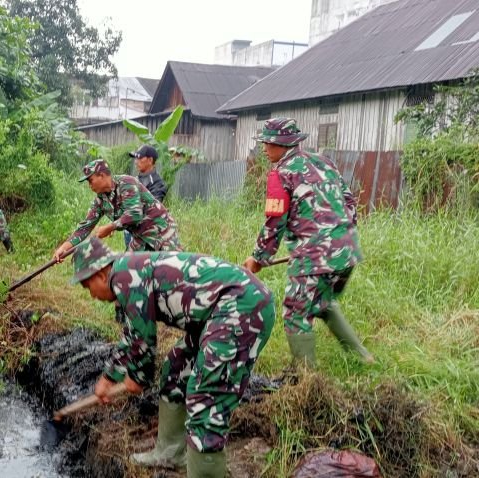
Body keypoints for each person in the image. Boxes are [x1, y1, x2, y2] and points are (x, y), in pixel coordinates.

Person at [71, 238, 275, 478]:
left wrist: (138, 377)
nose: (92, 296)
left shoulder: (124, 278)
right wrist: (109, 376)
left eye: (87, 287)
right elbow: (133, 332)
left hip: (241, 308)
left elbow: (144, 340)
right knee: (175, 369)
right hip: (216, 312)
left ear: (101, 274)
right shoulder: (126, 272)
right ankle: (170, 453)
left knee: (206, 400)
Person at [242, 117, 374, 367]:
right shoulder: (324, 162)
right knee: (322, 302)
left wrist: (258, 258)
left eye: (268, 143)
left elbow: (275, 221)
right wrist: (337, 239)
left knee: (295, 314)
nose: (264, 148)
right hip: (348, 250)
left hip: (314, 256)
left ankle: (306, 381)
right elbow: (349, 203)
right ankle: (363, 358)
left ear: (283, 145)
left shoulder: (281, 173)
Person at [52, 159, 181, 262]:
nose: (89, 185)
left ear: (101, 175)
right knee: (127, 271)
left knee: (174, 270)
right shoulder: (100, 201)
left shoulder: (126, 183)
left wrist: (110, 227)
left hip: (162, 230)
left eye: (90, 180)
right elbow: (84, 228)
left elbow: (134, 214)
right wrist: (63, 248)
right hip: (140, 236)